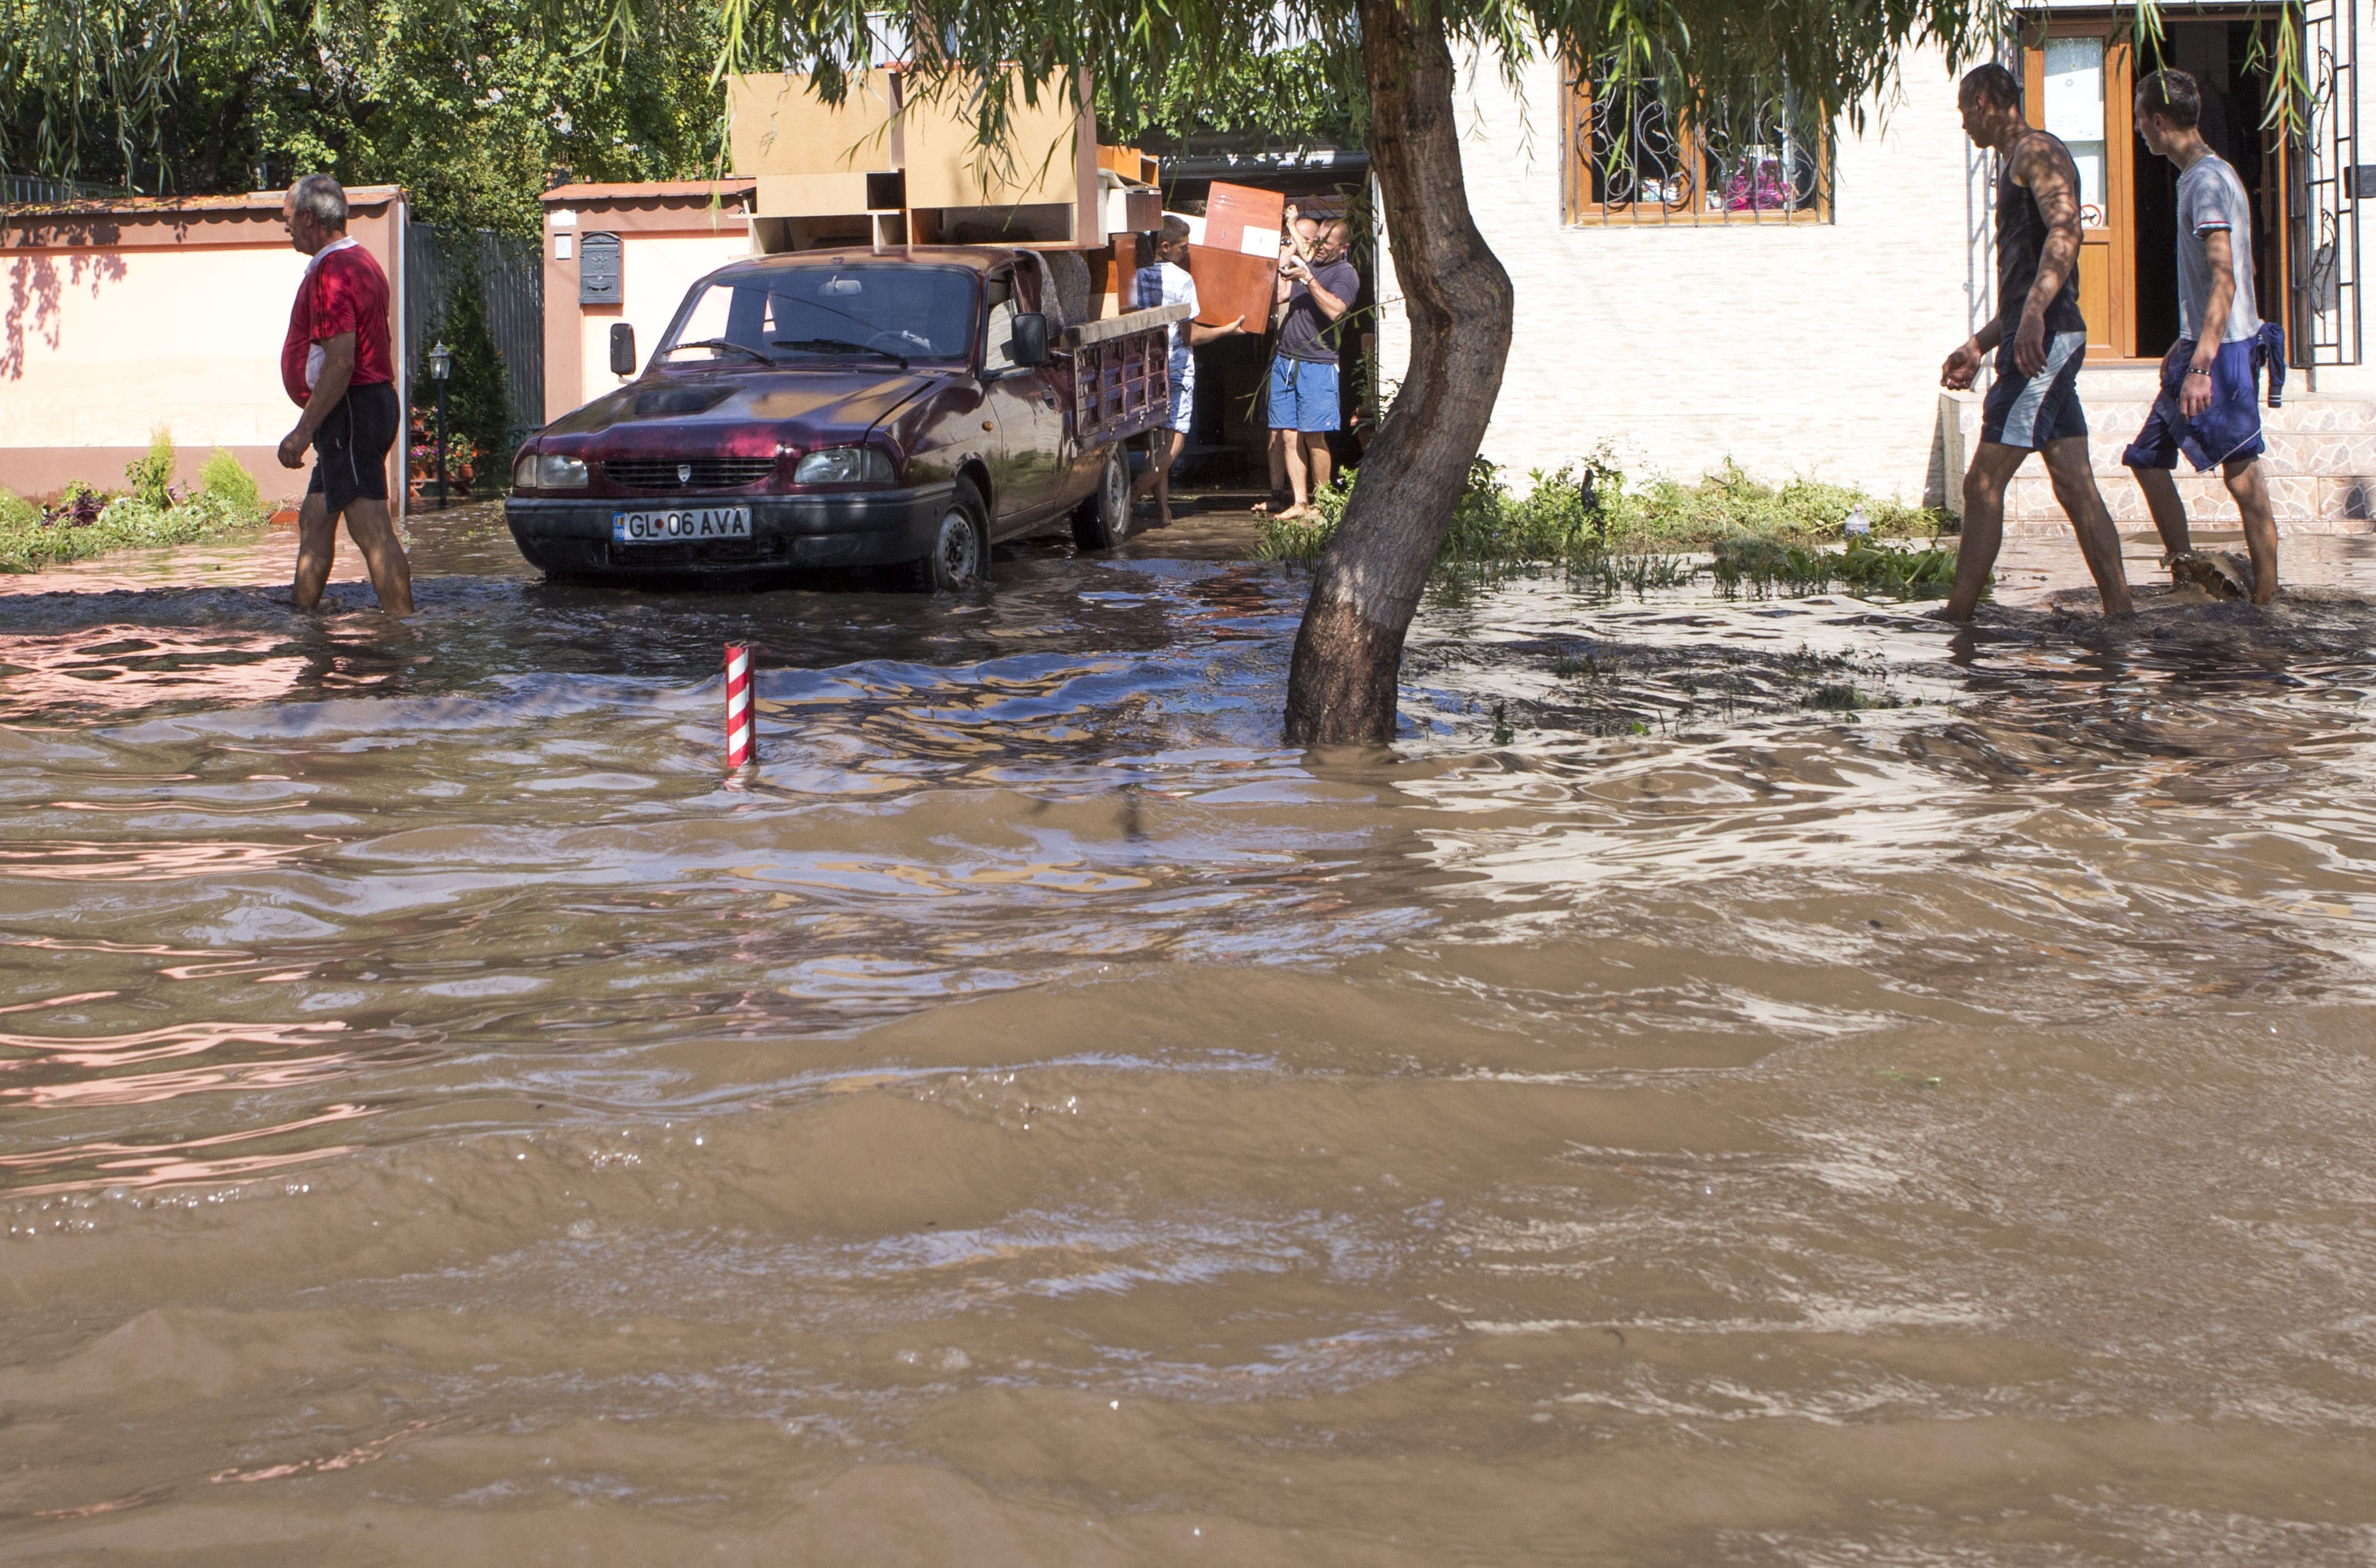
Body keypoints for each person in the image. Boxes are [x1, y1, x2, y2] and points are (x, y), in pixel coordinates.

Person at [1939, 64, 2132, 621]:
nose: (1961, 126)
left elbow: (2067, 229)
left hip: (2042, 344)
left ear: (1980, 102)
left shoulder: (2035, 152)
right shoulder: (2017, 160)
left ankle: (1957, 622)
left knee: (1981, 483)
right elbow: (2027, 281)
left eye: (1961, 112)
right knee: (2073, 483)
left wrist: (2032, 318)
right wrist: (1979, 343)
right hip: (2043, 333)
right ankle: (2121, 617)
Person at [2122, 67, 2283, 604]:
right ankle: (2188, 577)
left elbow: (2226, 276)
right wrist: (2186, 337)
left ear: (2160, 120)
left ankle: (2266, 601)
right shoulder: (2198, 176)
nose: (2137, 129)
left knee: (2241, 479)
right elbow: (2244, 270)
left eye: (2140, 119)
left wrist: (2201, 364)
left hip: (2223, 356)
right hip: (2202, 344)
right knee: (2146, 459)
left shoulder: (2207, 181)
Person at [277, 172, 413, 614]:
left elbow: (340, 361)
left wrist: (302, 432)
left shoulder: (333, 272)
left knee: (371, 529)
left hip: (350, 410)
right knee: (315, 517)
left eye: (289, 220)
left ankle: (404, 630)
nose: (287, 229)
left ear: (310, 217)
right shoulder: (362, 261)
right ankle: (302, 617)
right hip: (363, 407)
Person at [1131, 216, 1245, 528]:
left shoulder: (1135, 276)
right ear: (1165, 247)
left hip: (1144, 370)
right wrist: (1226, 331)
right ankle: (1128, 499)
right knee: (1174, 444)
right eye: (1183, 247)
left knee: (1157, 444)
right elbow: (1189, 336)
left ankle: (1163, 512)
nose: (1187, 252)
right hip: (1176, 368)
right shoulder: (1182, 280)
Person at [1269, 218, 1359, 521]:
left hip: (1317, 363)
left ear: (1344, 248)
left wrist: (1308, 279)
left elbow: (1336, 310)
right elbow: (1280, 295)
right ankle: (1299, 503)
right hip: (1286, 360)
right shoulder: (1309, 264)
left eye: (1327, 244)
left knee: (1313, 436)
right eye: (1317, 240)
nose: (1319, 247)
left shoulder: (1345, 274)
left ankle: (1322, 505)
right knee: (1288, 436)